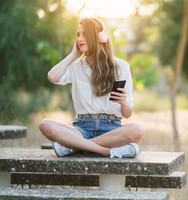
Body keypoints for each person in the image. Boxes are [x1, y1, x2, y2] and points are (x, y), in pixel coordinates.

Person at [39, 17, 144, 158]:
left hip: (112, 129)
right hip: (82, 128)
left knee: (137, 130)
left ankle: (76, 147)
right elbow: (53, 77)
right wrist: (73, 55)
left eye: (84, 34)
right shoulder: (76, 66)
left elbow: (127, 114)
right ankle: (106, 151)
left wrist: (123, 102)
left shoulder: (121, 67)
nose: (79, 39)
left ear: (99, 38)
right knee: (46, 125)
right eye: (78, 35)